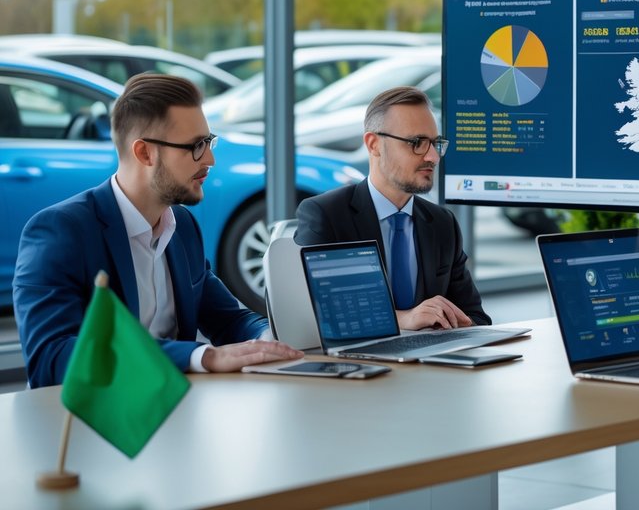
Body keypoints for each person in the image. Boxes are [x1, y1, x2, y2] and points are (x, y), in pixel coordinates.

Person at [14, 73, 302, 389]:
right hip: (90, 425)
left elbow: (229, 319)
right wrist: (201, 357)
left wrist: (269, 341)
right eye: (195, 146)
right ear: (144, 153)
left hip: (173, 412)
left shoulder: (182, 227)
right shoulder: (61, 231)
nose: (210, 158)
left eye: (208, 141)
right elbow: (51, 358)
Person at [294, 85, 489, 329]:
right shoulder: (327, 215)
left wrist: (453, 326)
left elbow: (477, 318)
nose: (433, 157)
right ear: (374, 144)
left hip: (433, 361)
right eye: (417, 142)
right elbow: (313, 316)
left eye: (435, 143)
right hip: (359, 361)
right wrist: (403, 319)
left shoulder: (442, 223)